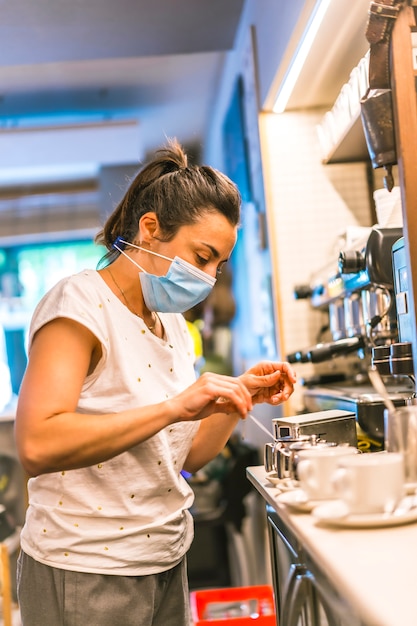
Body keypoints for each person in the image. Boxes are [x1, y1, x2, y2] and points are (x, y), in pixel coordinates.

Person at [14, 139, 296, 626]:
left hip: (163, 559)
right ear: (150, 229)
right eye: (201, 256)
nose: (208, 278)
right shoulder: (78, 305)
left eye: (218, 265)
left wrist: (237, 397)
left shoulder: (172, 327)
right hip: (87, 567)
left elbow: (182, 456)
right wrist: (175, 407)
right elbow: (38, 443)